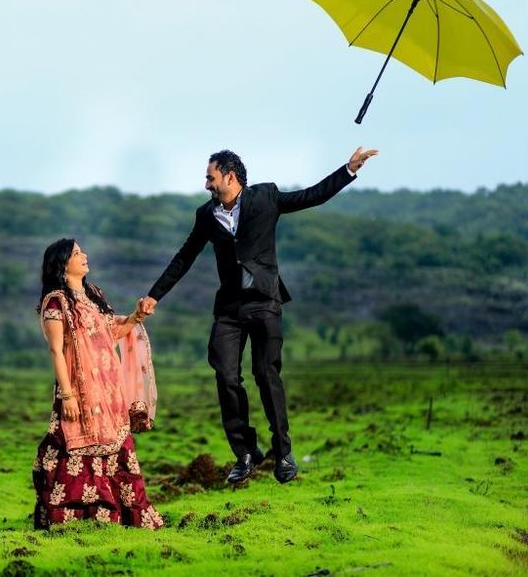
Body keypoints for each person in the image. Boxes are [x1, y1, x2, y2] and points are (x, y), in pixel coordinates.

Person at [138, 146, 377, 485]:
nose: (206, 183)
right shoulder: (206, 215)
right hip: (230, 309)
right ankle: (246, 452)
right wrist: (154, 295)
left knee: (266, 375)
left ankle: (284, 453)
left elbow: (312, 196)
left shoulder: (266, 197)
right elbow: (184, 257)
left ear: (230, 176)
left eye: (210, 176)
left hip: (264, 302)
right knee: (225, 373)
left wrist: (348, 169)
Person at [32, 238, 163, 530]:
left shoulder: (94, 294)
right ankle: (74, 519)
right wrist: (67, 395)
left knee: (118, 446)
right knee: (70, 447)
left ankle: (124, 517)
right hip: (77, 390)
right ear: (62, 263)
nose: (84, 256)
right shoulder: (56, 302)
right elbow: (56, 350)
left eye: (82, 251)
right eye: (77, 253)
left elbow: (110, 333)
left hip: (109, 388)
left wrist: (136, 316)